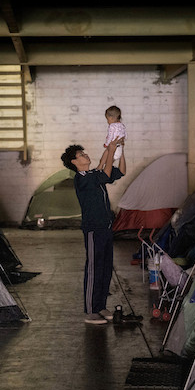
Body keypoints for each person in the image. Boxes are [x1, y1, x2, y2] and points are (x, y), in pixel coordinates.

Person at [62, 137, 126, 324]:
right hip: (93, 230)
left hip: (106, 228)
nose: (85, 155)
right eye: (81, 155)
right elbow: (104, 173)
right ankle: (91, 311)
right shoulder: (81, 179)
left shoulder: (93, 174)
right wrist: (111, 151)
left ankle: (101, 306)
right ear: (74, 162)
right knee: (94, 269)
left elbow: (120, 171)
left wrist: (117, 149)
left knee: (105, 269)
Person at [98, 105, 126, 170]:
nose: (108, 122)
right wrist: (123, 141)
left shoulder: (112, 126)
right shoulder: (122, 125)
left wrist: (106, 144)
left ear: (111, 118)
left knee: (106, 157)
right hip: (120, 148)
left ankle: (100, 166)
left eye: (107, 119)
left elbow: (110, 137)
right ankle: (103, 167)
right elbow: (125, 135)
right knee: (110, 160)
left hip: (114, 146)